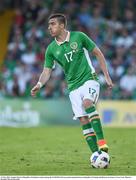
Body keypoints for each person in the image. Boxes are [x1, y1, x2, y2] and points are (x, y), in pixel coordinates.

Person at [31, 13, 113, 154]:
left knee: (88, 103)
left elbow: (98, 53)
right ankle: (96, 154)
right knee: (82, 119)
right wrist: (39, 84)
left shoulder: (79, 37)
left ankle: (102, 142)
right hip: (73, 87)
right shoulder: (51, 49)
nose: (49, 27)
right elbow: (47, 71)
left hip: (89, 79)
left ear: (62, 25)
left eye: (53, 24)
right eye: (49, 25)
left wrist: (106, 75)